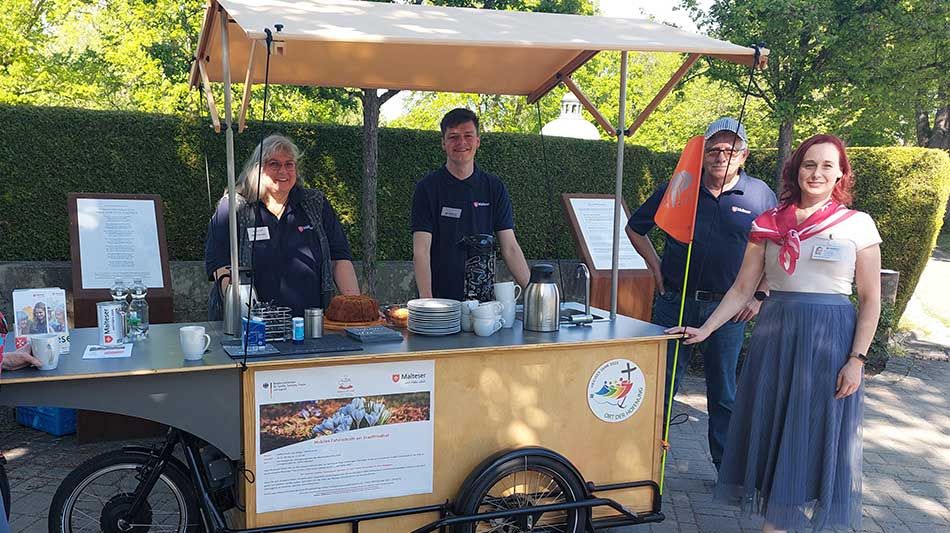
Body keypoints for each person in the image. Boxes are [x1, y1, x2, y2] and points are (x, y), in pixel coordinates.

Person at [670, 134, 881, 532]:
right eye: (808, 165)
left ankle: (779, 523)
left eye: (826, 166)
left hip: (828, 341)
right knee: (773, 432)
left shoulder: (858, 224)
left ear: (840, 174)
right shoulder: (767, 223)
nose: (816, 173)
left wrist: (857, 360)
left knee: (811, 432)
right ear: (796, 169)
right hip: (776, 336)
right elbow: (741, 289)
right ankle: (780, 521)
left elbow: (871, 300)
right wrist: (706, 328)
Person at [627, 117, 777, 470]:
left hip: (728, 311)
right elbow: (636, 228)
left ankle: (726, 472)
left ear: (744, 155)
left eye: (730, 149)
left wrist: (760, 295)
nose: (721, 156)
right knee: (661, 388)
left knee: (724, 394)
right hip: (674, 303)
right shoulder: (679, 186)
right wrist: (655, 266)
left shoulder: (760, 195)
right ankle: (645, 466)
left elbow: (778, 248)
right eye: (713, 149)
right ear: (702, 153)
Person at [205, 134, 360, 318]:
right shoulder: (234, 207)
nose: (283, 171)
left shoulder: (315, 204)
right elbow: (220, 265)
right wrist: (241, 314)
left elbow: (339, 257)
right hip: (252, 328)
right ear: (258, 169)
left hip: (311, 325)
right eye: (274, 164)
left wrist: (355, 307)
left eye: (289, 164)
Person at [411, 108, 530, 301]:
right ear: (443, 143)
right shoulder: (427, 188)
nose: (461, 142)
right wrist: (427, 301)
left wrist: (535, 292)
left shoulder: (494, 187)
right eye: (453, 137)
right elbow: (421, 250)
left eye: (468, 135)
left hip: (484, 305)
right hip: (441, 301)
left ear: (477, 141)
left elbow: (510, 247)